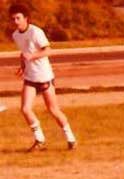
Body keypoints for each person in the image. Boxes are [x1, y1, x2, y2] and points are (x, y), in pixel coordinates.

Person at [9, 4, 76, 151]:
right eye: (13, 18)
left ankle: (70, 137)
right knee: (25, 109)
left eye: (18, 18)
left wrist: (32, 56)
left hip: (44, 76)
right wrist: (22, 66)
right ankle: (40, 140)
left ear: (26, 18)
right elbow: (23, 52)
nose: (15, 21)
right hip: (30, 77)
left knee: (53, 110)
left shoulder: (36, 32)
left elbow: (48, 51)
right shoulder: (16, 35)